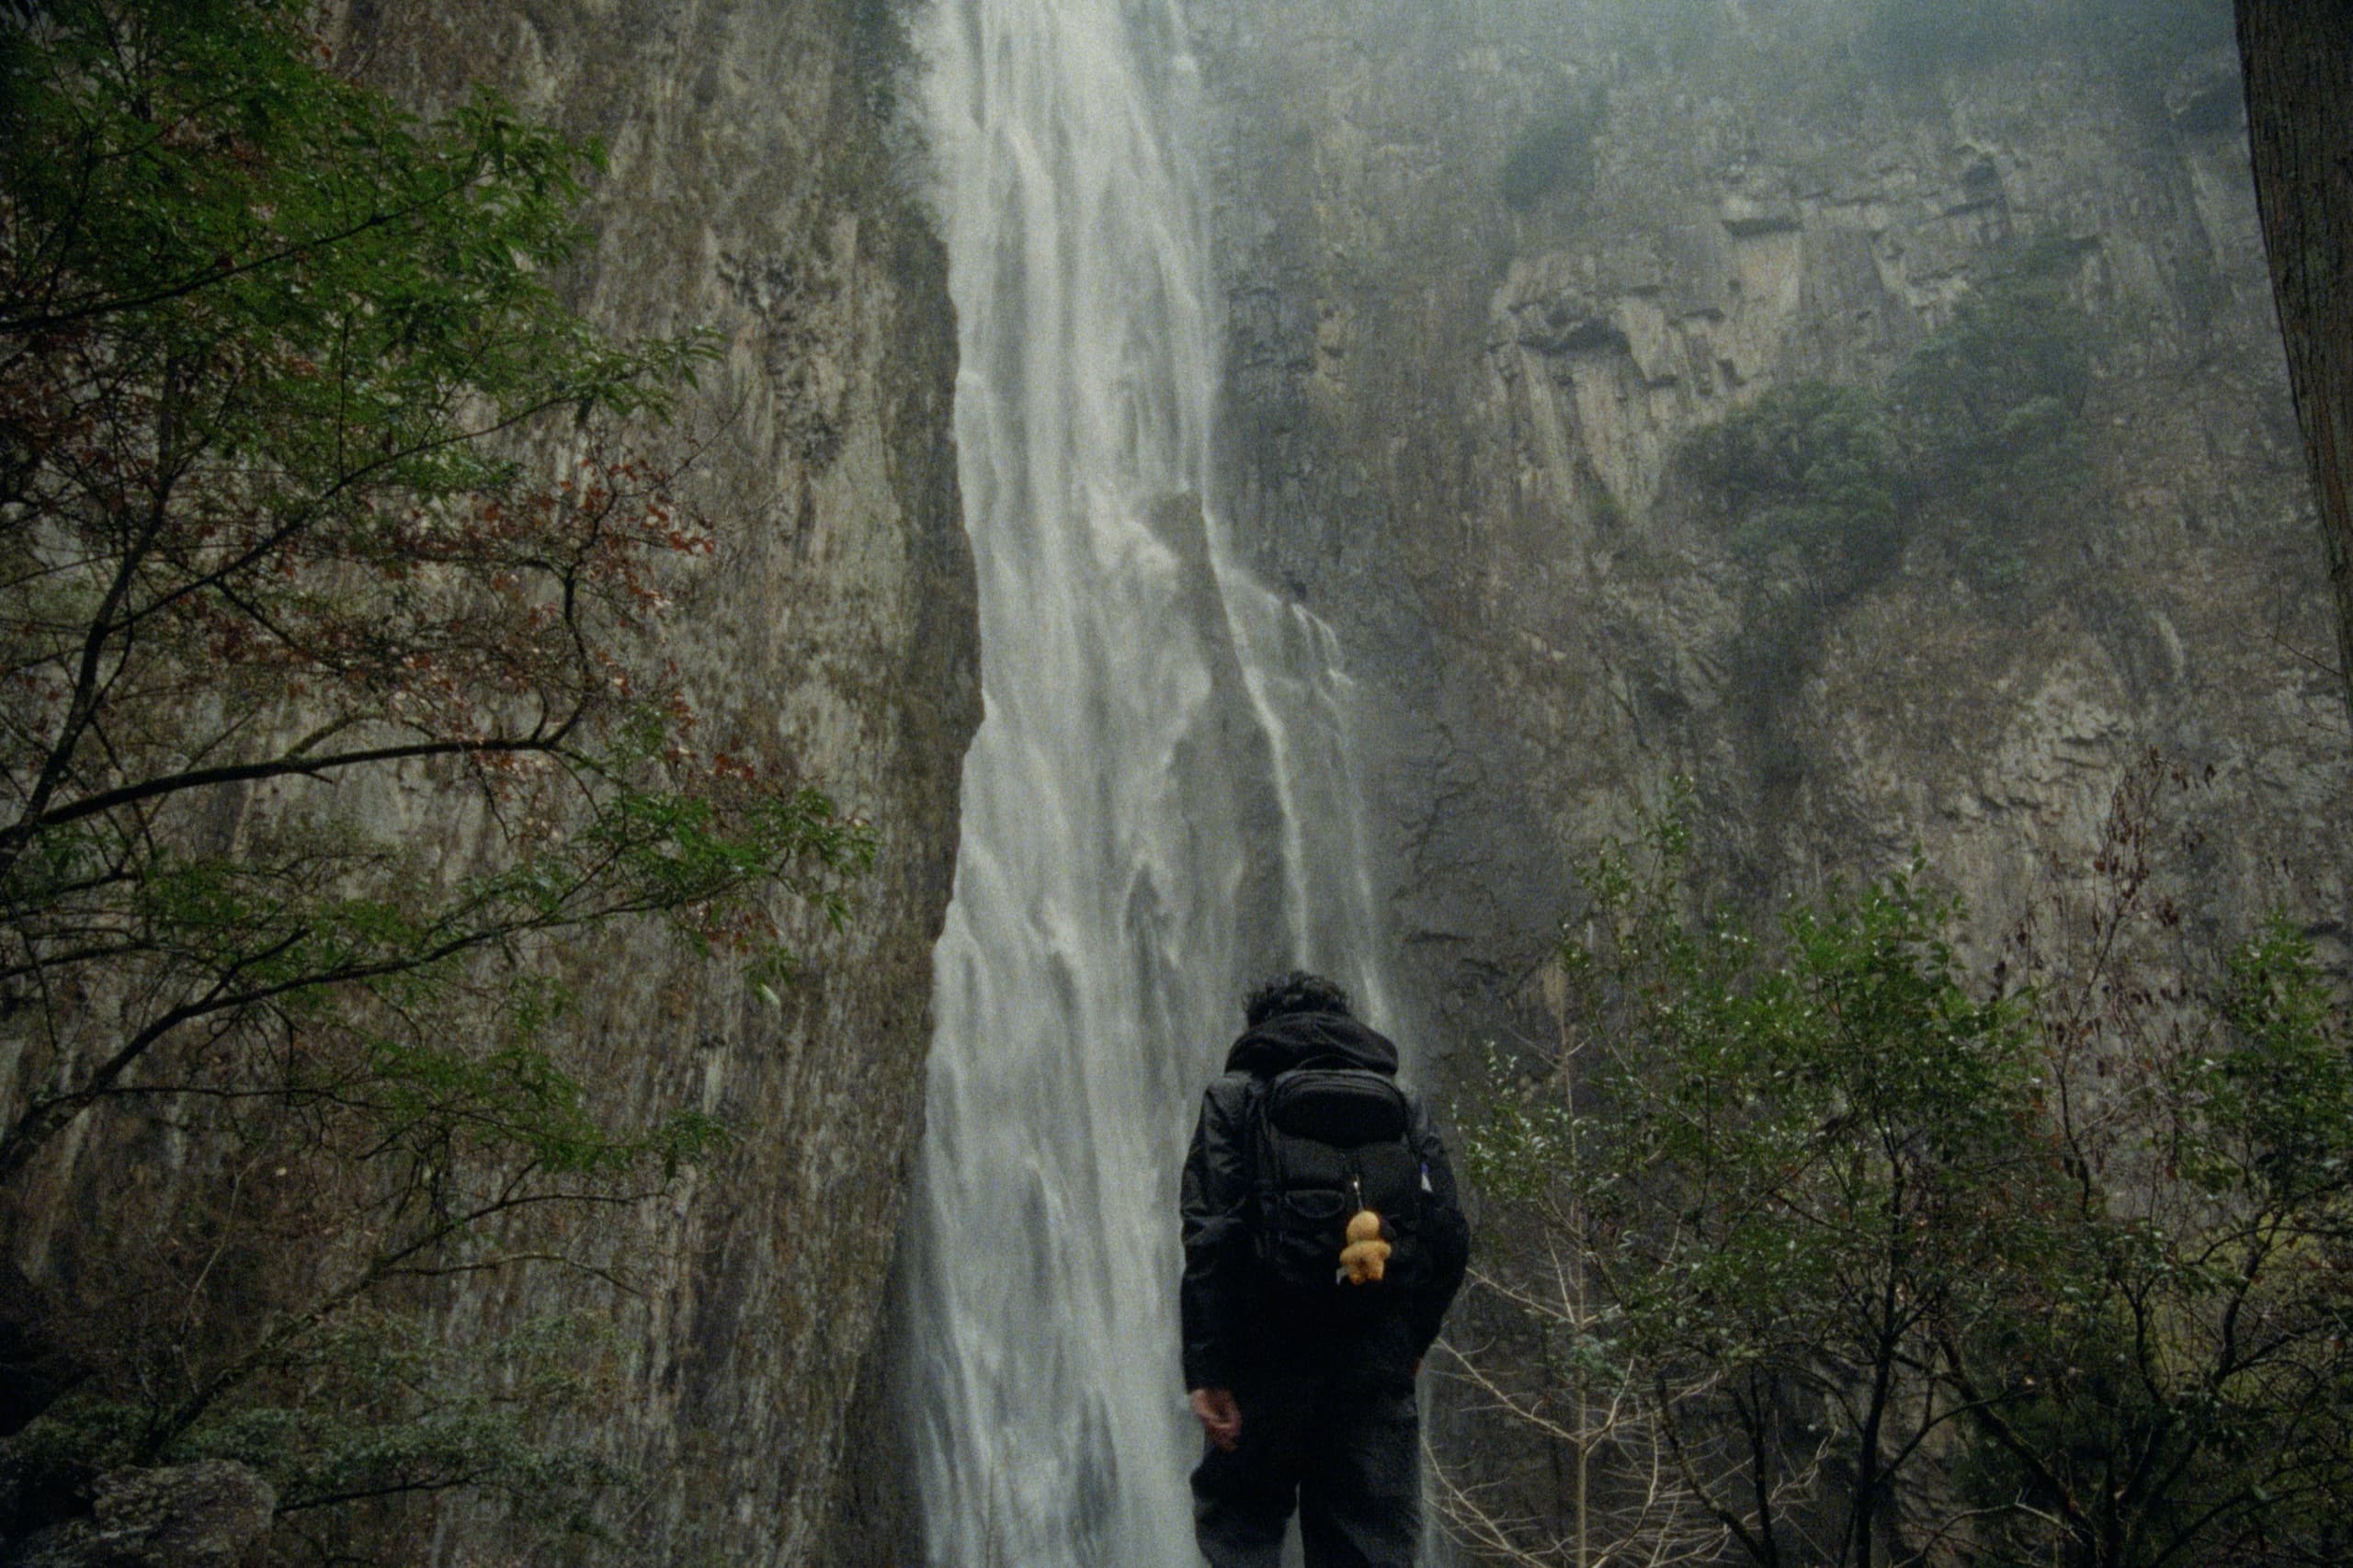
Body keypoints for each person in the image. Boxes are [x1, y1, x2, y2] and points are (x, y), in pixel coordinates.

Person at [1179, 971, 1470, 1568]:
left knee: (1242, 1541)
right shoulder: (1402, 1102)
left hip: (1263, 1365)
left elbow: (1211, 1236)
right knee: (1368, 1549)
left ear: (1258, 1029)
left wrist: (1207, 1370)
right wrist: (1411, 1342)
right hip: (1372, 1369)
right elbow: (1448, 1233)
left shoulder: (1234, 1097)